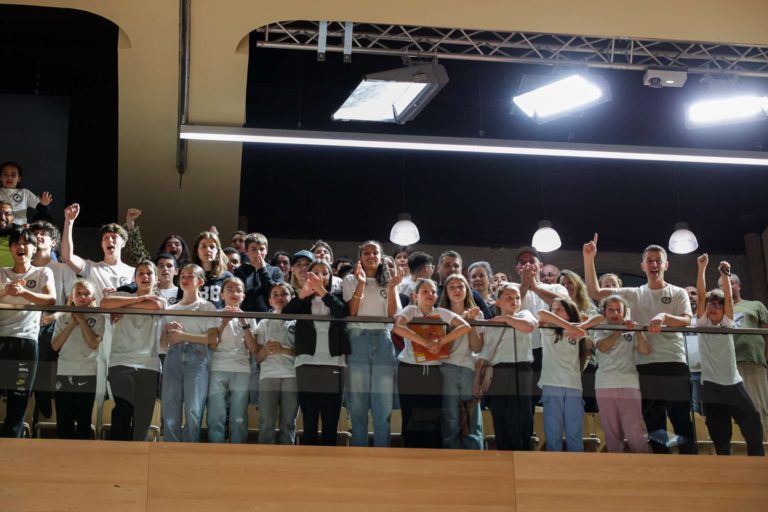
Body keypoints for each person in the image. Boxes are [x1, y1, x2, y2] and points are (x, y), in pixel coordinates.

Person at [584, 234, 697, 454]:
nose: (654, 264)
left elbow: (685, 320)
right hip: (644, 366)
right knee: (655, 426)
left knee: (682, 419)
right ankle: (661, 468)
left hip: (674, 363)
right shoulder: (634, 294)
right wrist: (589, 259)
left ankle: (690, 466)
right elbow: (595, 292)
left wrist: (664, 317)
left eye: (658, 261)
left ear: (666, 265)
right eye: (649, 261)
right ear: (643, 265)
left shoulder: (678, 292)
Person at [697, 255, 764, 455]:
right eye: (711, 304)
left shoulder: (727, 322)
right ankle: (724, 465)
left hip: (733, 383)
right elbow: (701, 294)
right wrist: (702, 268)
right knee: (720, 435)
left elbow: (727, 297)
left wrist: (725, 274)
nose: (714, 308)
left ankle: (757, 462)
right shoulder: (702, 323)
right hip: (711, 386)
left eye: (719, 305)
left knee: (752, 424)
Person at [393, 278, 470, 448]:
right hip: (410, 369)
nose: (430, 294)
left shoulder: (441, 312)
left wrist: (441, 341)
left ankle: (431, 454)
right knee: (410, 411)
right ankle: (410, 453)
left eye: (433, 291)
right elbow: (397, 327)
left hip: (434, 371)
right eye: (425, 291)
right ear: (415, 295)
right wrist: (424, 342)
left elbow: (465, 326)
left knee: (433, 413)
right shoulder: (411, 310)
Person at [283, 259, 349, 446]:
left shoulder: (337, 297)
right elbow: (285, 313)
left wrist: (322, 291)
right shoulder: (303, 299)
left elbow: (342, 312)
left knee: (331, 418)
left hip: (334, 363)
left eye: (324, 273)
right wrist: (302, 294)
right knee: (310, 418)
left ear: (331, 277)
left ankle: (330, 460)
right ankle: (307, 461)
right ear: (308, 276)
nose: (320, 276)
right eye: (316, 273)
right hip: (307, 363)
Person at [343, 240, 401, 447]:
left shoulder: (388, 281)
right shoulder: (350, 279)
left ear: (380, 257)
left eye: (374, 252)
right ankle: (359, 451)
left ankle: (382, 452)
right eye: (366, 252)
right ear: (360, 257)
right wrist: (361, 282)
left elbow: (393, 314)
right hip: (358, 339)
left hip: (383, 340)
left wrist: (392, 287)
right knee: (358, 402)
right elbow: (352, 311)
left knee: (383, 403)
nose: (370, 256)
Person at [100, 260, 165, 441]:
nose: (145, 276)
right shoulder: (122, 295)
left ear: (156, 279)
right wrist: (137, 299)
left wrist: (123, 306)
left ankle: (139, 454)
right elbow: (105, 302)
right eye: (140, 273)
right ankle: (118, 452)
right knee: (124, 408)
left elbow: (155, 307)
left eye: (149, 273)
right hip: (120, 362)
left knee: (143, 416)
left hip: (149, 365)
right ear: (135, 278)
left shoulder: (160, 299)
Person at [0, 228, 56, 437]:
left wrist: (24, 292)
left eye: (25, 243)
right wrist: (6, 290)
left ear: (34, 249)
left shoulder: (43, 272)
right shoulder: (2, 272)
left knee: (19, 398)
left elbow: (51, 299)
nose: (20, 247)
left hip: (26, 343)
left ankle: (11, 443)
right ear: (10, 248)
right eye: (16, 243)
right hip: (1, 338)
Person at [475, 282, 538, 451]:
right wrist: (477, 383)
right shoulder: (491, 325)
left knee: (521, 414)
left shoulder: (524, 314)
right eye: (508, 297)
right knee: (500, 414)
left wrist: (507, 319)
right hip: (498, 372)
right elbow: (483, 356)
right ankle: (503, 453)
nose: (514, 301)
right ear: (498, 302)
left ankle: (523, 453)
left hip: (521, 369)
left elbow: (529, 326)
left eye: (517, 298)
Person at [161, 264, 219, 443]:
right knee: (170, 408)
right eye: (182, 276)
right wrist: (166, 331)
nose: (184, 279)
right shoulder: (171, 309)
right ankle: (170, 450)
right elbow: (163, 345)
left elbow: (213, 339)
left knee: (194, 408)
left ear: (200, 281)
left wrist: (183, 336)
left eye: (190, 275)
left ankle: (190, 448)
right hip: (173, 356)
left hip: (197, 357)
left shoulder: (207, 307)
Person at [537, 297, 603, 452]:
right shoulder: (547, 329)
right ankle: (552, 463)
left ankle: (577, 464)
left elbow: (600, 317)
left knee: (574, 431)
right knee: (553, 432)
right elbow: (541, 313)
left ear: (569, 312)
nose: (555, 311)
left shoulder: (578, 331)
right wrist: (569, 327)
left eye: (560, 308)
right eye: (553, 309)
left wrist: (580, 326)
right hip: (552, 384)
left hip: (573, 386)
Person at [593, 295, 651, 453]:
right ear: (604, 312)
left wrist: (637, 331)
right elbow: (603, 347)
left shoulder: (631, 329)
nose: (615, 313)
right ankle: (615, 466)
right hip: (605, 384)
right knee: (611, 431)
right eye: (611, 310)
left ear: (624, 312)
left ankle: (643, 462)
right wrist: (620, 330)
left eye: (619, 310)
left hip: (629, 383)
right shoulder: (599, 328)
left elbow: (645, 350)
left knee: (635, 429)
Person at [514, 246, 569, 412]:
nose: (527, 265)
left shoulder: (556, 288)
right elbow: (507, 309)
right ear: (517, 268)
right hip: (522, 351)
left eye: (531, 261)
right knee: (526, 403)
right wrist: (525, 285)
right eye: (522, 262)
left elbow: (566, 305)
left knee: (552, 402)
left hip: (551, 351)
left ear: (540, 266)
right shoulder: (511, 288)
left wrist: (536, 288)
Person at [51, 279, 105, 439]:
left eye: (87, 293)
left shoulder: (98, 318)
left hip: (87, 374)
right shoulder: (63, 318)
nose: (82, 297)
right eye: (78, 293)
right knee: (64, 421)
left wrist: (81, 320)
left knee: (83, 421)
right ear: (72, 297)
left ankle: (82, 454)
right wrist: (71, 323)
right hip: (64, 373)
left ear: (93, 297)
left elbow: (93, 343)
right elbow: (55, 346)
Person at [208, 277, 258, 444]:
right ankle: (215, 448)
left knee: (239, 413)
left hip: (242, 368)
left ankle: (238, 448)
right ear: (222, 295)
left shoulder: (249, 318)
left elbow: (253, 349)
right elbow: (212, 345)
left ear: (243, 296)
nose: (234, 293)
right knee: (216, 412)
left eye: (238, 290)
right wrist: (223, 323)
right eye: (229, 289)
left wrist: (243, 322)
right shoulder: (215, 315)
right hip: (218, 366)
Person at [719, 272, 768, 438]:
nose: (727, 286)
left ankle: (763, 443)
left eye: (731, 282)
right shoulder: (718, 310)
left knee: (757, 404)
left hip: (751, 361)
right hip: (726, 365)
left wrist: (762, 356)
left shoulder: (755, 305)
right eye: (722, 285)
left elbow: (766, 333)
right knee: (732, 408)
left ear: (739, 286)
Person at [255, 282, 298, 445]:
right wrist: (265, 351)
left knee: (288, 422)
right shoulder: (264, 323)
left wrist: (283, 349)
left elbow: (304, 353)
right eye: (275, 294)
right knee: (266, 421)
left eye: (284, 294)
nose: (280, 297)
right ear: (270, 301)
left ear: (292, 298)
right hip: (268, 376)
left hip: (292, 376)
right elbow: (257, 358)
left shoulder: (298, 321)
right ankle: (265, 457)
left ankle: (286, 456)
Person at [559, 269, 599, 413]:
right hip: (563, 364)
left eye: (569, 282)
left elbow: (592, 339)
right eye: (562, 284)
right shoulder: (556, 309)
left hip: (587, 362)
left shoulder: (589, 308)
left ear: (577, 285)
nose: (566, 286)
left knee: (589, 407)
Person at [234, 232, 284, 313]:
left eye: (262, 249)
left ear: (266, 251)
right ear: (246, 251)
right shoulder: (240, 271)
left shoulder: (276, 271)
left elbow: (276, 292)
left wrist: (262, 270)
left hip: (268, 315)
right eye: (254, 249)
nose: (258, 253)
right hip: (244, 314)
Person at [436, 250, 492, 319]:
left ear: (461, 269)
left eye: (456, 266)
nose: (452, 269)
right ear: (438, 268)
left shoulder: (474, 295)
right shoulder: (431, 294)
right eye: (447, 265)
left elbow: (488, 321)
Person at [188, 230, 233, 307]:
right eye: (203, 246)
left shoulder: (227, 277)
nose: (208, 250)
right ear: (197, 251)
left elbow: (232, 303)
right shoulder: (188, 275)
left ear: (217, 251)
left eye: (212, 247)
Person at [0, 161, 52, 226]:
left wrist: (44, 204)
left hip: (20, 228)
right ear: (0, 177)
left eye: (13, 175)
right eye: (5, 175)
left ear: (19, 178)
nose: (9, 177)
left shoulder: (25, 193)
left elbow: (42, 210)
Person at [683, 285, 702, 415]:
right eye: (686, 294)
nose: (690, 296)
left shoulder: (706, 318)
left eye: (693, 293)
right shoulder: (677, 320)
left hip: (709, 371)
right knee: (692, 410)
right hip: (686, 372)